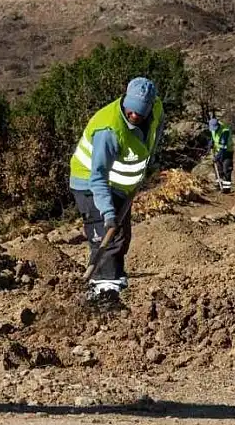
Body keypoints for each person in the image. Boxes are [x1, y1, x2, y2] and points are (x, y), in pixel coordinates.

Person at [69, 77, 164, 306]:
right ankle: (104, 294)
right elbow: (98, 176)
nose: (133, 115)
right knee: (105, 237)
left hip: (120, 185)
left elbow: (158, 127)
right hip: (90, 184)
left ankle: (113, 284)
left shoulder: (157, 108)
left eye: (140, 112)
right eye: (130, 110)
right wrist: (108, 213)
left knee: (121, 237)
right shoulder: (109, 130)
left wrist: (150, 158)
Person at [208, 117, 234, 193]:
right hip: (218, 151)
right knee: (218, 170)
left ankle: (226, 189)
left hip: (227, 152)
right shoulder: (213, 129)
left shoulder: (224, 131)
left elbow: (223, 147)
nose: (213, 129)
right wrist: (211, 143)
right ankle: (219, 185)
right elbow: (213, 137)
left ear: (218, 125)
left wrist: (217, 157)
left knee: (226, 169)